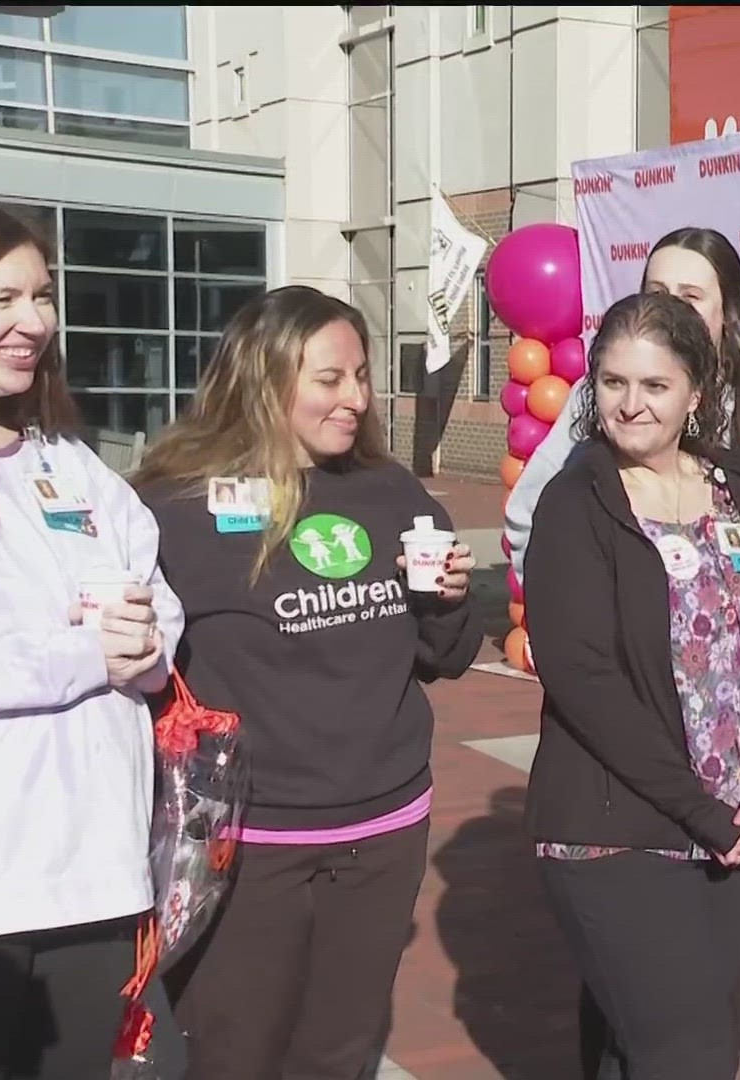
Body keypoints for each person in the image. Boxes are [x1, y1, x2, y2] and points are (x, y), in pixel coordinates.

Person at [135, 285, 482, 1078]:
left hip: (384, 828)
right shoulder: (171, 509)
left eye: (361, 376)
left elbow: (448, 655)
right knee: (234, 1050)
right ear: (264, 379)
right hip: (250, 841)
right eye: (331, 379)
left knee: (341, 1051)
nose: (356, 398)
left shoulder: (390, 493)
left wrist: (446, 603)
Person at [523, 291, 740, 1080]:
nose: (630, 404)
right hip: (621, 828)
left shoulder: (738, 488)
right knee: (690, 1051)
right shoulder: (576, 504)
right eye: (613, 383)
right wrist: (698, 810)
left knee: (644, 1046)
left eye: (653, 385)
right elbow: (583, 679)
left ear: (695, 392)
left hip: (736, 823)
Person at [0, 194, 185, 1076]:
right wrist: (83, 654)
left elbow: (155, 592)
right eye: (3, 298)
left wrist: (143, 637)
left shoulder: (66, 460)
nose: (33, 323)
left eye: (43, 297)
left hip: (98, 867)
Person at [507, 225, 740, 579]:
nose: (672, 309)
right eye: (658, 293)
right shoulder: (601, 398)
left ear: (728, 312)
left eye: (691, 296)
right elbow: (529, 514)